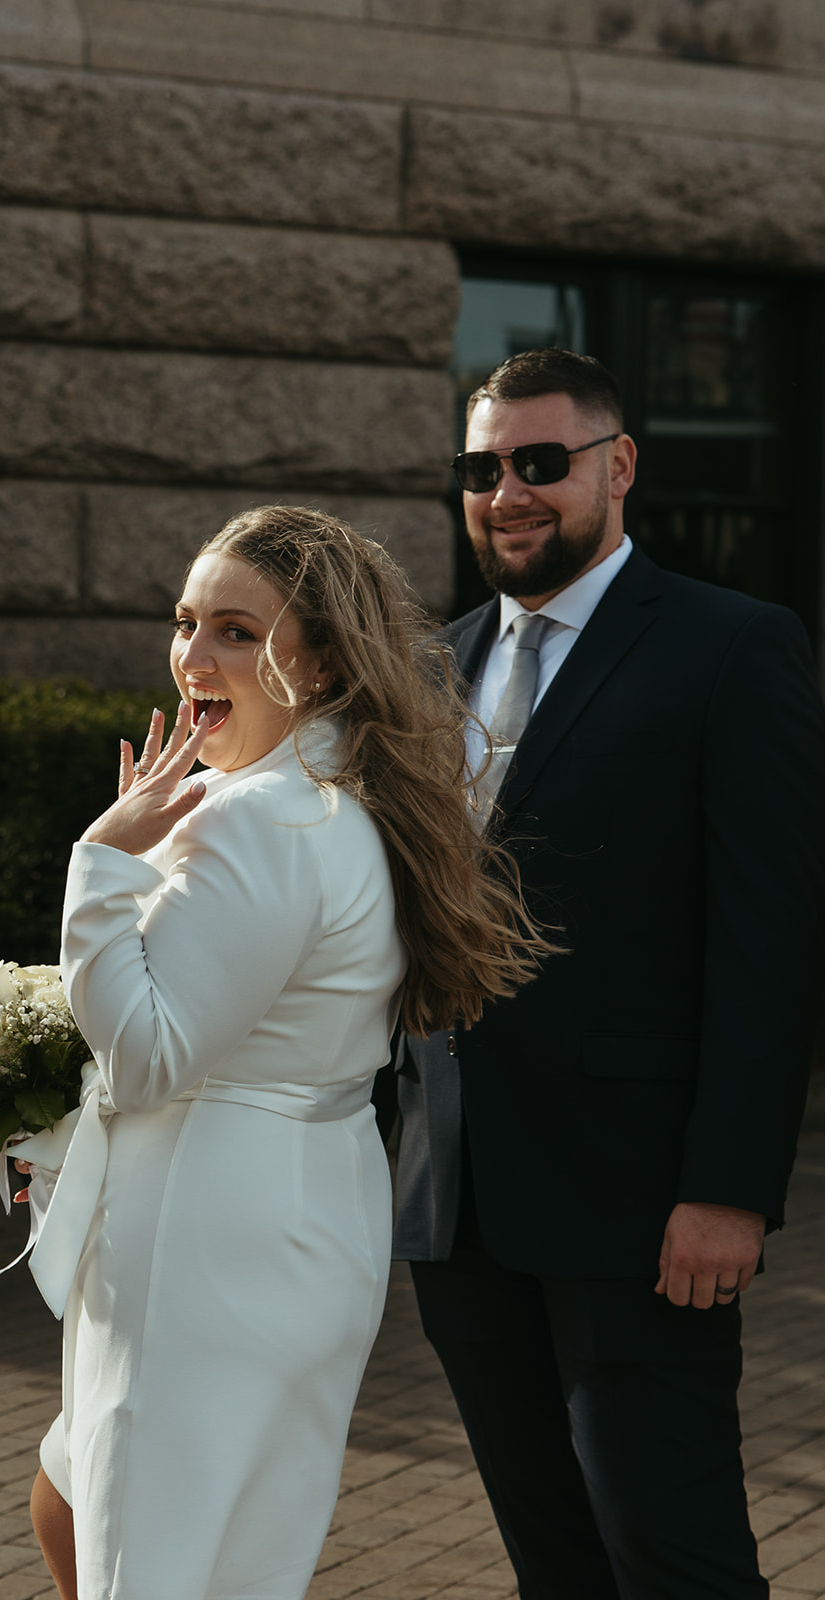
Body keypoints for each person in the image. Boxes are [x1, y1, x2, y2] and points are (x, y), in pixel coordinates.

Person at [11, 506, 549, 1600]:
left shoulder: (262, 818)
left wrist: (96, 866)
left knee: (152, 1559)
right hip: (303, 1211)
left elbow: (153, 1055)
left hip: (204, 1228)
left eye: (236, 632)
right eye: (185, 622)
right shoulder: (339, 791)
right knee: (95, 1501)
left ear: (320, 655)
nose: (193, 658)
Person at [393, 347, 825, 1600]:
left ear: (616, 466)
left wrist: (729, 1190)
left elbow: (771, 939)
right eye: (481, 468)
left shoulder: (733, 646)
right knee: (553, 1557)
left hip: (641, 1208)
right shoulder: (434, 665)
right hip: (455, 1196)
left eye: (541, 463)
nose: (508, 492)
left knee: (671, 1554)